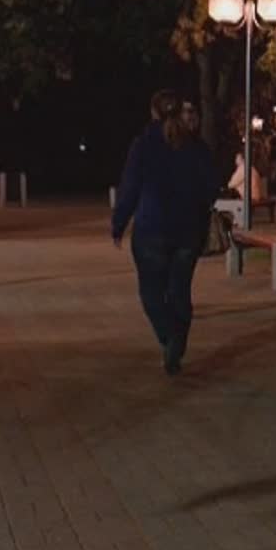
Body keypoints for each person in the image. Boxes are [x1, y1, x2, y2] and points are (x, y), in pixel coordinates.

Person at [112, 89, 219, 376]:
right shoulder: (197, 147)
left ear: (154, 112)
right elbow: (211, 186)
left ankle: (169, 336)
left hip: (151, 230)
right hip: (188, 232)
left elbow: (130, 186)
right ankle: (176, 343)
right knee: (179, 291)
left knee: (151, 293)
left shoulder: (143, 144)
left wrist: (119, 223)